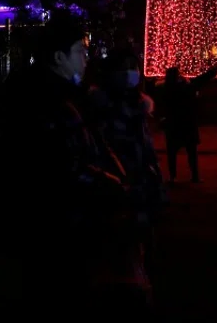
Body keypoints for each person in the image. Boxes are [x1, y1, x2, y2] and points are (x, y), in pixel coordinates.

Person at [0, 17, 137, 311]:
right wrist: (110, 184)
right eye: (80, 52)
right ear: (59, 57)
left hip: (57, 223)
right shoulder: (51, 103)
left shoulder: (62, 96)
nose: (86, 58)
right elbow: (61, 167)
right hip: (59, 224)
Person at [90, 48, 165, 279]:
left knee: (143, 245)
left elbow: (147, 151)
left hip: (142, 187)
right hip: (119, 187)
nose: (131, 74)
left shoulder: (139, 107)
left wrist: (156, 183)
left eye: (134, 68)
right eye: (125, 69)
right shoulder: (102, 109)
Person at [151, 61, 217, 184]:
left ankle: (173, 177)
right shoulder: (185, 87)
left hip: (172, 123)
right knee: (191, 152)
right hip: (186, 123)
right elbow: (199, 81)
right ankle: (195, 176)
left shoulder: (164, 89)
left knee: (172, 152)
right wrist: (212, 72)